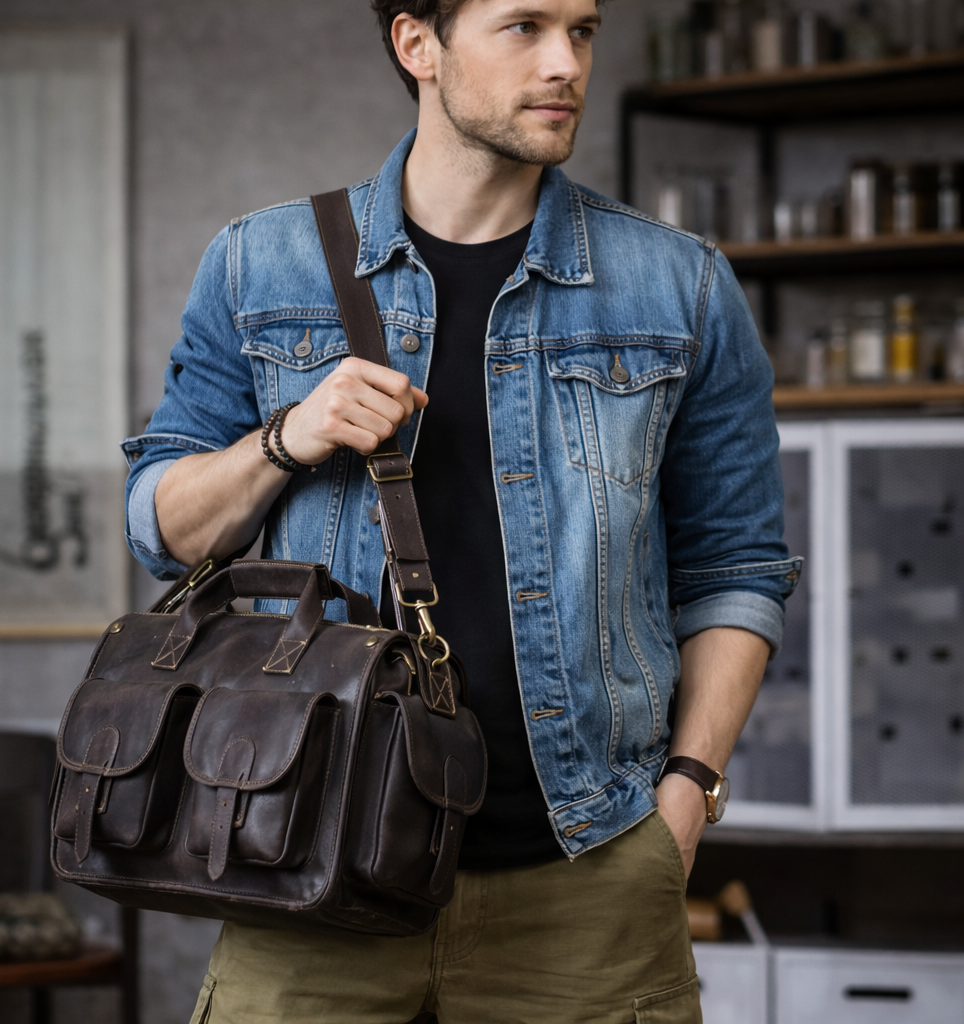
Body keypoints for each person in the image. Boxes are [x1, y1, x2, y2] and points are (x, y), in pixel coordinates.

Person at [122, 0, 800, 1019]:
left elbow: (736, 568)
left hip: (588, 877)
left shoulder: (679, 288)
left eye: (582, 30)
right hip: (307, 872)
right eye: (524, 26)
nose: (565, 62)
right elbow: (161, 530)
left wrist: (686, 795)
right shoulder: (262, 266)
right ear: (417, 44)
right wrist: (284, 440)